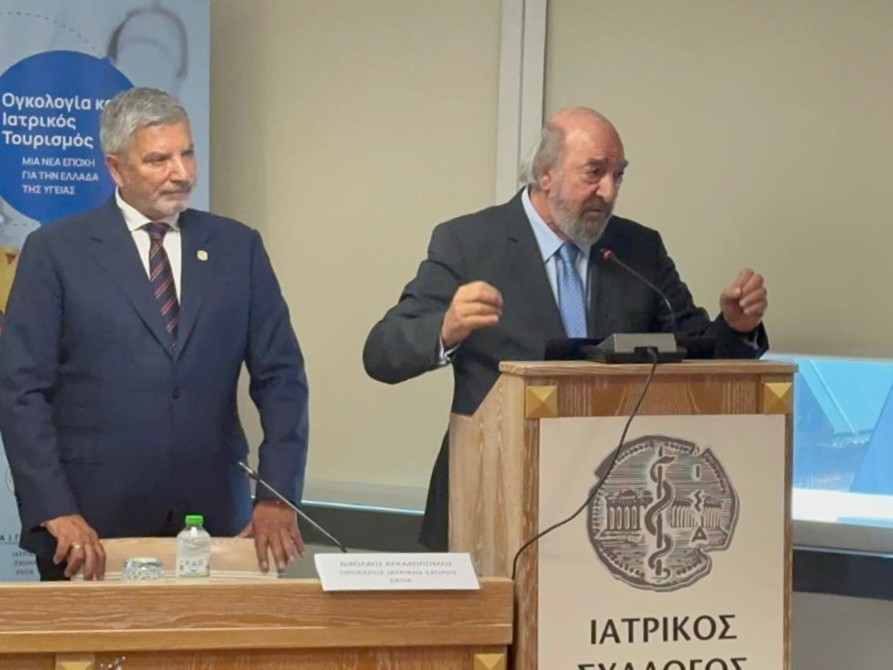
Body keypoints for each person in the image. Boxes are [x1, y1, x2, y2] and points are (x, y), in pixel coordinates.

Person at [363, 107, 769, 551]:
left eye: (618, 175)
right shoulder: (469, 242)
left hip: (616, 513)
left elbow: (696, 356)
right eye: (594, 172)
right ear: (546, 173)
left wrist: (735, 328)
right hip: (490, 503)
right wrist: (446, 328)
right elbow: (382, 354)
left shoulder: (638, 249)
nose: (608, 191)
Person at [0, 87, 309, 580]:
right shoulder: (56, 251)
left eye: (187, 153)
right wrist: (53, 508)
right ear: (115, 168)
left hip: (216, 521)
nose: (181, 173)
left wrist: (277, 493)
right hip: (89, 525)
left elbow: (282, 378)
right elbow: (21, 391)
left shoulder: (237, 247)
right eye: (159, 160)